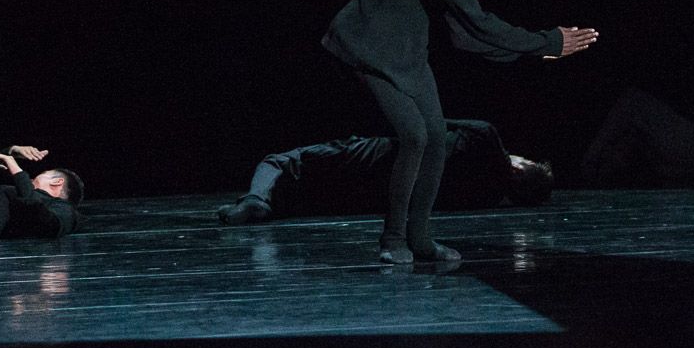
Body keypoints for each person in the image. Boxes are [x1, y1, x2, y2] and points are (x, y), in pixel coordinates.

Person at [320, 0, 598, 264]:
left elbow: (464, 35)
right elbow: (477, 22)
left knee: (435, 137)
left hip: (406, 52)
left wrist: (531, 49)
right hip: (366, 46)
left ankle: (420, 239)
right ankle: (393, 240)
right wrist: (547, 41)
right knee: (415, 136)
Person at [217, 118, 553, 223]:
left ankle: (255, 200)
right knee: (321, 188)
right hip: (385, 192)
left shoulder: (487, 137)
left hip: (382, 156)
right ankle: (267, 200)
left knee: (284, 160)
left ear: (520, 168)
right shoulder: (484, 198)